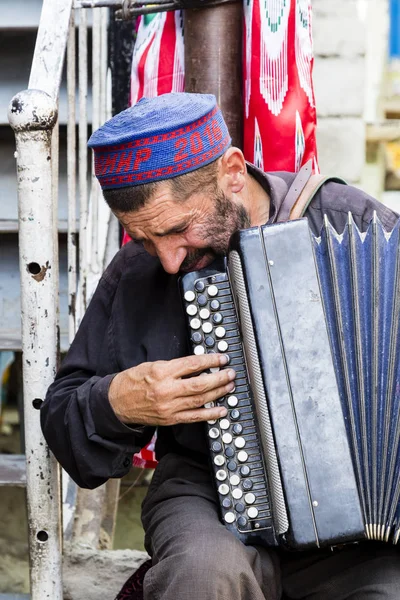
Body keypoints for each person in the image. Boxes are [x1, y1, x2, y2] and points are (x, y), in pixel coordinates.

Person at [41, 93, 400, 600]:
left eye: (178, 230)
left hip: (358, 528)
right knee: (202, 574)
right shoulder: (138, 272)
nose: (167, 261)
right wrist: (118, 402)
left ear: (232, 172)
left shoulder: (353, 223)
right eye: (143, 240)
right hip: (204, 491)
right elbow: (61, 413)